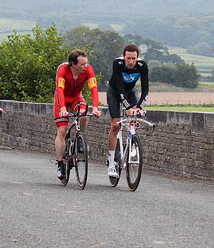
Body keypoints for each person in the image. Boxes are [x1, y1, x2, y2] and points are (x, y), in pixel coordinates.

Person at [54, 49, 101, 180]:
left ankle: (79, 135)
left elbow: (94, 88)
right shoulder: (63, 69)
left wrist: (95, 107)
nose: (85, 66)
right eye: (82, 64)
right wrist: (63, 108)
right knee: (62, 131)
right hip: (62, 99)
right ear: (73, 64)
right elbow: (59, 89)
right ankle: (60, 164)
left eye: (86, 63)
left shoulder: (88, 70)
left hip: (76, 97)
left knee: (84, 115)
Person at [107, 44, 149, 178]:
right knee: (115, 125)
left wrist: (139, 108)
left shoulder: (142, 66)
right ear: (124, 57)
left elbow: (145, 89)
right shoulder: (118, 64)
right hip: (115, 92)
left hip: (130, 91)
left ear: (137, 58)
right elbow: (119, 89)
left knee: (136, 117)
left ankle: (132, 145)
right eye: (128, 58)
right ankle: (111, 163)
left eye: (134, 59)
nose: (131, 62)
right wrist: (128, 107)